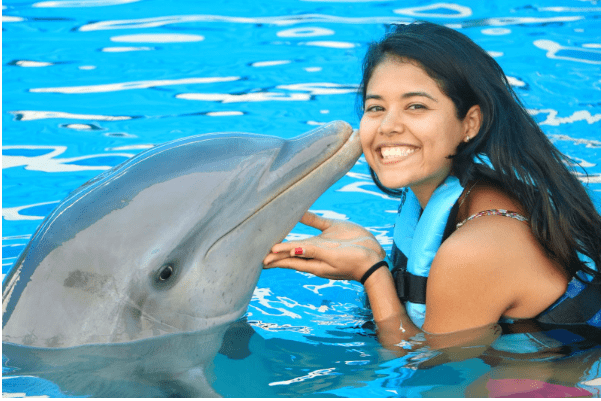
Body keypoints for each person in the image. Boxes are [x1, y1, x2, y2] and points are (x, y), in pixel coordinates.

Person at [262, 22, 601, 345]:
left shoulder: (475, 250)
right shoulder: (451, 192)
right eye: (376, 107)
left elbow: (431, 372)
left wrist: (371, 272)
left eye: (416, 106)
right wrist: (370, 253)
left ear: (470, 123)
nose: (389, 126)